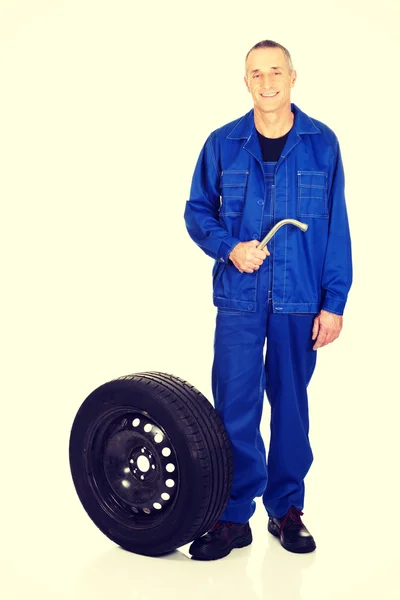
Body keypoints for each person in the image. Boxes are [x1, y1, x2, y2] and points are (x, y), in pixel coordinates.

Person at [183, 39, 353, 561]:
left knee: (291, 406)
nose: (267, 82)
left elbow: (336, 227)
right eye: (256, 74)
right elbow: (196, 212)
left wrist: (335, 301)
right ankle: (233, 516)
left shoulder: (321, 143)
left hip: (300, 298)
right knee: (234, 406)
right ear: (246, 82)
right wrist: (230, 247)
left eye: (275, 71)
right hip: (239, 297)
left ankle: (286, 510)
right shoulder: (222, 144)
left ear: (293, 76)